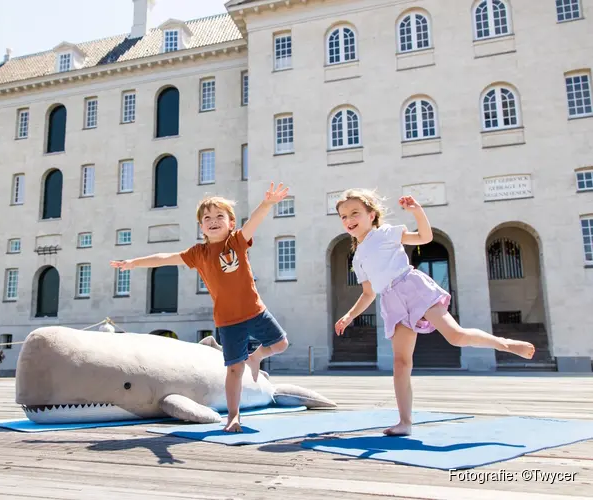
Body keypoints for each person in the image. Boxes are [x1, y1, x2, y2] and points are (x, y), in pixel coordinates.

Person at [334, 188, 535, 436]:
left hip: (412, 287)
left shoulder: (387, 233)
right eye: (343, 216)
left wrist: (417, 211)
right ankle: (405, 422)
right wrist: (350, 315)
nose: (348, 220)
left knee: (456, 336)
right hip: (390, 301)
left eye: (355, 213)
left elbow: (424, 237)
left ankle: (504, 343)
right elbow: (368, 293)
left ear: (372, 215)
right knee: (400, 362)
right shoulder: (357, 257)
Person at [110, 182, 291, 432]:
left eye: (220, 216)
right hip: (228, 320)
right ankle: (234, 416)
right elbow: (165, 258)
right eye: (207, 218)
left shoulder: (237, 242)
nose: (213, 221)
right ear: (201, 227)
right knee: (234, 370)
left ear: (231, 223)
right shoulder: (198, 253)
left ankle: (256, 357)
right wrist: (134, 263)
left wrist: (267, 204)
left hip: (255, 311)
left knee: (281, 344)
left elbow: (253, 223)